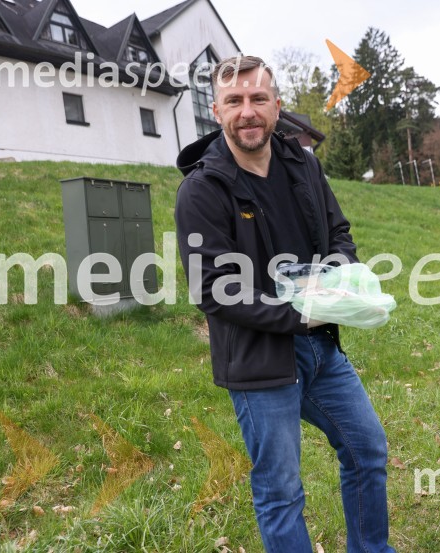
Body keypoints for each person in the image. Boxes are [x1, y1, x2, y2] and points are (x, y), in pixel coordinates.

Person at [174, 55, 395, 553]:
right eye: (234, 101)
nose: (247, 111)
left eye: (257, 99)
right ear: (216, 110)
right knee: (281, 490)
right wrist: (301, 312)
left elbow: (338, 232)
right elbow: (212, 288)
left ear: (276, 106)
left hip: (322, 348)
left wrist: (340, 277)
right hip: (259, 360)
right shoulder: (202, 189)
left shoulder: (304, 164)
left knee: (367, 451)